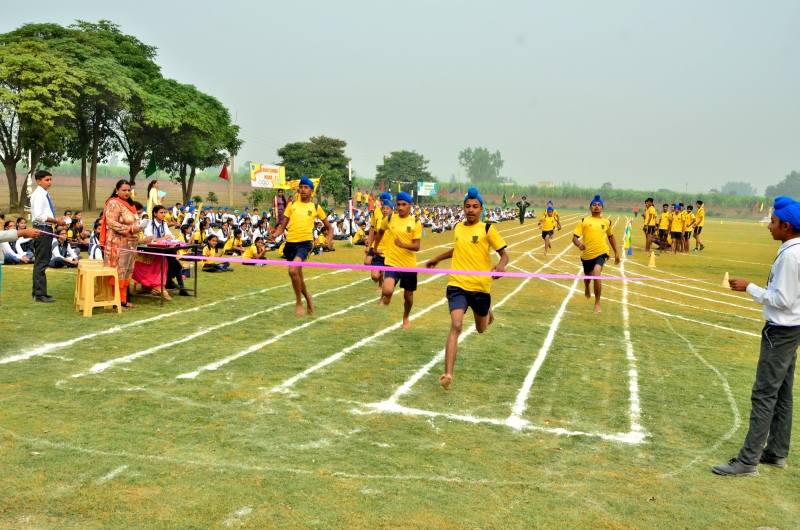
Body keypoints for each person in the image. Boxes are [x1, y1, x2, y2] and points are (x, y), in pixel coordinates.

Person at [712, 196, 800, 477]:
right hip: (791, 330)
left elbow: (783, 299)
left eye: (773, 222)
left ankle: (747, 462)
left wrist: (749, 287)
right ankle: (775, 453)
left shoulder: (791, 255)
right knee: (782, 393)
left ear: (786, 226)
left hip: (781, 332)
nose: (769, 226)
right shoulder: (794, 250)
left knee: (764, 395)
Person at [426, 187, 508, 390]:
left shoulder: (487, 229)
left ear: (481, 209)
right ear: (463, 208)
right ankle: (448, 374)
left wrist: (500, 266)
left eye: (475, 206)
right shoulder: (458, 227)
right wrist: (438, 258)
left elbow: (504, 255)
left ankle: (487, 311)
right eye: (467, 206)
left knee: (481, 329)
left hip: (480, 288)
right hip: (457, 285)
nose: (471, 210)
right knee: (456, 325)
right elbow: (458, 248)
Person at [269, 176, 333, 316]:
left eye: (306, 187)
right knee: (298, 276)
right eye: (301, 187)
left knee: (292, 271)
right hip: (290, 244)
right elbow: (282, 227)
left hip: (305, 244)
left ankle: (299, 302)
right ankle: (308, 297)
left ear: (311, 191)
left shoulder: (316, 207)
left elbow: (329, 228)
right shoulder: (292, 205)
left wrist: (329, 240)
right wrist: (275, 235)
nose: (303, 190)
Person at [371, 191, 422, 330]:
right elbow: (380, 232)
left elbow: (417, 246)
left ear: (410, 205)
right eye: (398, 204)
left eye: (404, 204)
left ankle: (406, 316)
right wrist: (375, 248)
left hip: (408, 266)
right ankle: (387, 296)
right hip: (391, 262)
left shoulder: (415, 222)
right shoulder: (389, 219)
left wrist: (402, 244)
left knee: (408, 297)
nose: (400, 207)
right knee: (387, 290)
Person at [572, 195, 620, 314]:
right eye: (594, 205)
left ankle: (597, 302)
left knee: (597, 273)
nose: (596, 207)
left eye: (599, 205)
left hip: (601, 252)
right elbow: (575, 238)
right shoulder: (584, 221)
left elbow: (611, 237)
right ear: (590, 207)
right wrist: (579, 245)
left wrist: (616, 252)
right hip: (587, 255)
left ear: (602, 208)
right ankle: (587, 287)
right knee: (588, 276)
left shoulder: (606, 222)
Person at [101, 180, 141, 310]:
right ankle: (115, 301)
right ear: (117, 190)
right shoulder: (113, 203)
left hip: (131, 243)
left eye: (129, 190)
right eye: (124, 190)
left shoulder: (130, 205)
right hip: (118, 243)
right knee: (119, 271)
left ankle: (123, 300)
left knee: (127, 271)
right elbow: (111, 222)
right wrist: (129, 229)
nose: (127, 192)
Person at [30, 170, 66, 303]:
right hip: (42, 229)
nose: (50, 182)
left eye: (50, 179)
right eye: (47, 180)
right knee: (42, 262)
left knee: (41, 260)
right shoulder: (38, 195)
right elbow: (39, 215)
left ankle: (37, 291)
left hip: (46, 228)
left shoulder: (44, 194)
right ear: (38, 181)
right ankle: (40, 294)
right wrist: (56, 221)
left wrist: (57, 220)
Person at [0, 224, 40, 308]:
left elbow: (19, 250)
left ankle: (23, 260)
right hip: (9, 256)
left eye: (13, 226)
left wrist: (23, 257)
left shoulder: (15, 239)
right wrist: (24, 232)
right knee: (9, 256)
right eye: (10, 226)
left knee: (29, 253)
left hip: (15, 256)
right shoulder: (5, 238)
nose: (13, 227)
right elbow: (10, 251)